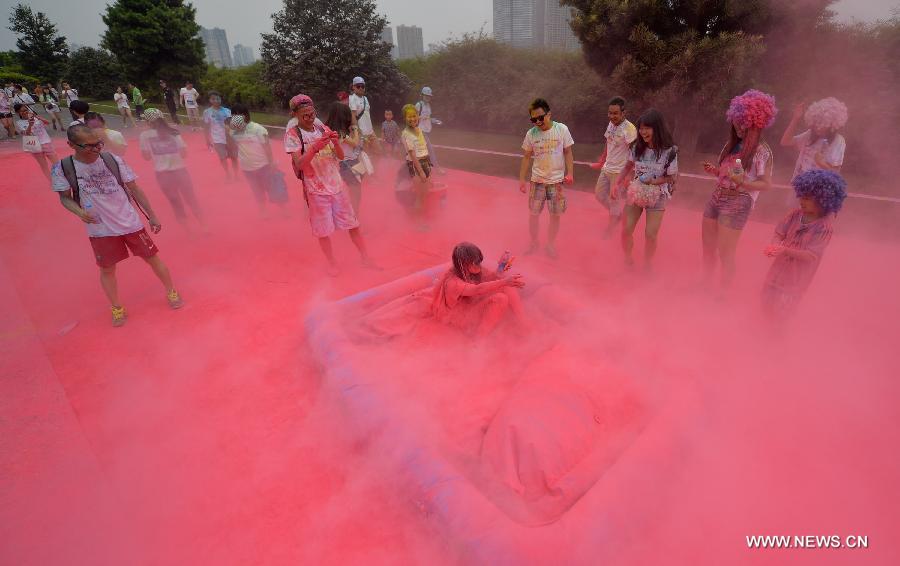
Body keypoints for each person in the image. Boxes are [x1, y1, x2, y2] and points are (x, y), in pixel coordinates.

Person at [51, 124, 183, 327]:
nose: (96, 150)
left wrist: (152, 215)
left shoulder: (113, 160)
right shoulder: (62, 168)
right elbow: (64, 198)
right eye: (89, 146)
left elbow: (134, 188)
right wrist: (79, 212)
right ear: (71, 145)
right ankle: (116, 306)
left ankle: (171, 290)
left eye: (99, 144)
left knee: (152, 258)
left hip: (129, 222)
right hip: (100, 229)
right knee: (107, 269)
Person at [284, 93, 376, 275]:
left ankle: (365, 257)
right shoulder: (293, 135)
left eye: (312, 113)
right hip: (316, 190)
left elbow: (340, 157)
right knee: (323, 231)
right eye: (305, 115)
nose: (311, 118)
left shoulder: (321, 127)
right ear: (295, 115)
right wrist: (315, 148)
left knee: (353, 224)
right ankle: (332, 263)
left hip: (337, 185)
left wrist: (336, 142)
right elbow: (300, 164)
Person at [701, 89, 776, 293]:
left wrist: (743, 182)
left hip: (738, 202)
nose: (739, 126)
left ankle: (723, 292)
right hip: (717, 196)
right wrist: (715, 171)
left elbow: (766, 184)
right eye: (736, 120)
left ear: (756, 122)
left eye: (744, 122)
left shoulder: (762, 150)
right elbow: (727, 175)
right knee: (708, 247)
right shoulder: (731, 145)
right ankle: (706, 283)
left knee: (726, 251)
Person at [761, 169, 847, 320]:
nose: (801, 201)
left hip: (795, 282)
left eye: (807, 198)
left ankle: (776, 338)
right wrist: (774, 245)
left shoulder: (824, 228)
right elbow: (779, 233)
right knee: (765, 305)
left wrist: (784, 250)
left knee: (781, 315)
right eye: (801, 196)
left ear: (823, 200)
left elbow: (811, 256)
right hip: (776, 273)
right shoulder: (794, 214)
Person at [612, 109, 678, 270]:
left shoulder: (670, 151)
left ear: (657, 128)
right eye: (641, 128)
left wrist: (654, 181)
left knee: (650, 234)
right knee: (626, 230)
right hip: (636, 192)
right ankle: (628, 259)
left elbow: (672, 178)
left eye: (647, 128)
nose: (643, 132)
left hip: (658, 195)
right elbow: (628, 166)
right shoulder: (637, 147)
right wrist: (617, 183)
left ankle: (647, 262)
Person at [431, 242, 527, 338]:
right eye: (476, 262)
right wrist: (504, 281)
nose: (479, 265)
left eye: (479, 261)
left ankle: (523, 323)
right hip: (460, 317)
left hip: (473, 305)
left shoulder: (472, 270)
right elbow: (477, 289)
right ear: (464, 264)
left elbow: (489, 279)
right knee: (501, 298)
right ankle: (479, 338)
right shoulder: (453, 282)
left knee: (506, 286)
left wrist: (500, 269)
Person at [518, 98, 574, 259]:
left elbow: (568, 152)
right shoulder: (531, 134)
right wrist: (522, 179)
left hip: (556, 182)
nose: (537, 122)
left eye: (540, 117)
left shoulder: (561, 129)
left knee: (555, 215)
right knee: (534, 214)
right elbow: (526, 157)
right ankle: (534, 242)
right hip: (537, 181)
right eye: (533, 119)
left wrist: (570, 173)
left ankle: (550, 244)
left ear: (549, 114)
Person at [139, 108, 206, 232]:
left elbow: (146, 157)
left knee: (175, 203)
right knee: (191, 199)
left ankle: (189, 232)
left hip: (162, 174)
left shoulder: (144, 136)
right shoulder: (173, 132)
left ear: (148, 122)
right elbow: (184, 153)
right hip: (180, 171)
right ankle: (204, 227)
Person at [228, 104, 288, 215]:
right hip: (247, 167)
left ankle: (283, 210)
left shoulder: (258, 129)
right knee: (257, 190)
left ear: (246, 115)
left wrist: (271, 163)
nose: (237, 117)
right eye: (234, 115)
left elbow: (267, 147)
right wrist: (228, 129)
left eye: (239, 114)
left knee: (272, 187)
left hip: (263, 166)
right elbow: (232, 146)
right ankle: (263, 211)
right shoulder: (232, 131)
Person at [592, 96, 637, 239]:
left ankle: (610, 230)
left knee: (614, 200)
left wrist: (628, 175)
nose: (612, 116)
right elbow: (608, 142)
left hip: (619, 172)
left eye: (615, 113)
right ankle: (617, 215)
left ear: (623, 113)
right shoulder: (611, 124)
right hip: (607, 168)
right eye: (610, 113)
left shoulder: (629, 129)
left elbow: (635, 153)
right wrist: (601, 160)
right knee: (599, 195)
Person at [780, 97, 847, 181]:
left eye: (822, 124)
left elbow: (836, 173)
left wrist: (822, 164)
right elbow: (785, 142)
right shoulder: (809, 135)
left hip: (820, 189)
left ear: (831, 124)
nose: (817, 128)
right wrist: (795, 119)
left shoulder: (838, 141)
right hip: (799, 185)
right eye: (815, 123)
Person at [325, 101, 364, 214]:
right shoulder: (340, 133)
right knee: (356, 190)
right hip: (348, 163)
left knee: (349, 188)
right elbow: (355, 143)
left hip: (344, 163)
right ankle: (354, 214)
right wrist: (355, 130)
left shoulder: (329, 130)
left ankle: (348, 213)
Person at [401, 103, 434, 230]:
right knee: (420, 196)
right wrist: (421, 172)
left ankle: (419, 219)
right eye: (409, 117)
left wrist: (429, 170)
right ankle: (419, 223)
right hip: (417, 165)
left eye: (414, 116)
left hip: (425, 162)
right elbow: (412, 155)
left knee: (424, 195)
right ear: (404, 118)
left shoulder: (418, 130)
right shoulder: (406, 134)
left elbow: (424, 149)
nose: (412, 119)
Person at [14, 103, 58, 179]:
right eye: (22, 111)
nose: (25, 112)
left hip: (45, 142)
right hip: (33, 144)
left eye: (26, 110)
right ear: (18, 113)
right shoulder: (19, 123)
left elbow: (48, 123)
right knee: (43, 165)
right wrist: (30, 125)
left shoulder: (35, 117)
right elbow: (26, 134)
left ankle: (61, 177)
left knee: (56, 162)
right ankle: (50, 180)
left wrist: (39, 118)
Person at [202, 91, 238, 181]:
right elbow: (206, 127)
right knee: (223, 158)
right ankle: (228, 174)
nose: (216, 100)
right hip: (218, 139)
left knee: (234, 157)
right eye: (213, 99)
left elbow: (233, 124)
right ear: (210, 100)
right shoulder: (207, 112)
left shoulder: (227, 111)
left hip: (230, 138)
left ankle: (236, 175)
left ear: (220, 99)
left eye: (218, 98)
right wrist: (207, 139)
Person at [415, 86, 445, 175]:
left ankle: (418, 168)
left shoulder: (428, 105)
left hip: (427, 131)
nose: (428, 97)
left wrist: (434, 120)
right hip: (420, 131)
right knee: (430, 149)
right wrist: (423, 117)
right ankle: (437, 169)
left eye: (429, 96)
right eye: (426, 95)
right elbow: (413, 118)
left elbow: (428, 117)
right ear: (422, 95)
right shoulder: (418, 105)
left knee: (421, 151)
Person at [348, 76, 380, 154]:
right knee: (366, 154)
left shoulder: (365, 98)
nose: (361, 88)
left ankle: (378, 165)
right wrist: (357, 132)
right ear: (353, 87)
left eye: (363, 86)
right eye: (358, 86)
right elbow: (353, 116)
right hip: (361, 132)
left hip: (370, 130)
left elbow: (367, 114)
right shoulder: (352, 98)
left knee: (378, 150)